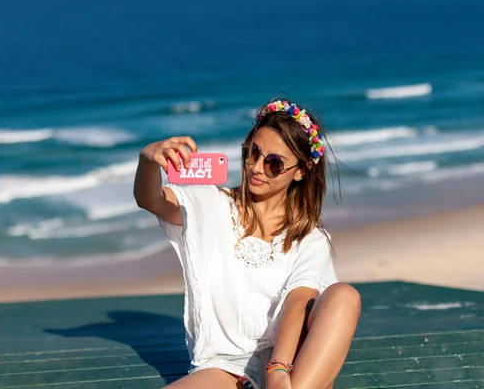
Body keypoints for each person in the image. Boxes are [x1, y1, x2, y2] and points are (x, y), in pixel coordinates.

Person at [133, 98, 362, 389]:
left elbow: (298, 301)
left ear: (301, 171)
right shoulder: (211, 205)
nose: (256, 168)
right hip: (224, 368)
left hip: (293, 368)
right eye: (252, 153)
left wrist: (278, 370)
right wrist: (147, 159)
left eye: (273, 163)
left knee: (343, 296)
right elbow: (149, 199)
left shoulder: (309, 237)